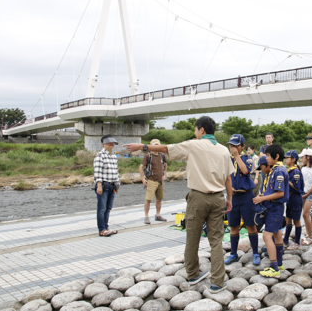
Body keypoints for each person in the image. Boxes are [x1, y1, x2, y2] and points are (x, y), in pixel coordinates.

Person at [123, 116, 234, 294]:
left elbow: (167, 148)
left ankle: (193, 274)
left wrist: (143, 147)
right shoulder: (223, 150)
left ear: (202, 130)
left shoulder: (193, 145)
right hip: (218, 198)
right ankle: (218, 282)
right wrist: (229, 199)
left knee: (193, 238)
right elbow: (229, 178)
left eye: (196, 129)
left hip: (198, 198)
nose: (195, 132)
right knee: (216, 241)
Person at [225, 134, 260, 266]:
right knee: (233, 226)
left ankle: (255, 253)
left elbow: (245, 171)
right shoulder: (227, 159)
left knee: (250, 225)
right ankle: (233, 253)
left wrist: (237, 156)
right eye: (231, 145)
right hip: (233, 197)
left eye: (236, 145)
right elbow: (224, 177)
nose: (232, 148)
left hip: (246, 196)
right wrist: (228, 189)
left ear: (243, 146)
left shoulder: (248, 158)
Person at [253, 144, 288, 277]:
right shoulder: (274, 169)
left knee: (267, 236)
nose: (266, 158)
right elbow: (273, 190)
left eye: (268, 156)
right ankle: (279, 264)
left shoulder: (279, 171)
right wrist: (264, 195)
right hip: (274, 207)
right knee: (278, 234)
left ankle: (274, 267)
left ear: (277, 156)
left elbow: (280, 193)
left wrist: (263, 199)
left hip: (275, 208)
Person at [94, 135, 121, 237]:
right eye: (109, 143)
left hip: (112, 185)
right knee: (102, 208)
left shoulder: (114, 156)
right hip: (104, 185)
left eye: (112, 143)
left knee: (108, 208)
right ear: (103, 144)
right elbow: (97, 172)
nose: (111, 144)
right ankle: (102, 229)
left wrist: (117, 185)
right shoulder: (100, 155)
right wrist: (99, 185)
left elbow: (116, 172)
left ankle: (106, 226)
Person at [139, 139, 168, 224]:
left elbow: (165, 164)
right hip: (151, 180)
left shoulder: (162, 155)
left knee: (159, 199)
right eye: (155, 145)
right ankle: (146, 216)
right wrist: (143, 178)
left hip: (160, 181)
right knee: (148, 199)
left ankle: (158, 215)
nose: (157, 146)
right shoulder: (148, 156)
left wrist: (164, 174)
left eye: (158, 145)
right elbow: (141, 167)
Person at [283, 150, 304, 250]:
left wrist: (286, 180)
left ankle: (297, 242)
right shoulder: (289, 170)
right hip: (289, 197)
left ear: (293, 159)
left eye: (287, 158)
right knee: (288, 219)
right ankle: (285, 240)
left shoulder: (296, 172)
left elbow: (297, 187)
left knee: (296, 220)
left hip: (295, 197)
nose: (285, 159)